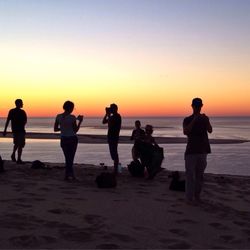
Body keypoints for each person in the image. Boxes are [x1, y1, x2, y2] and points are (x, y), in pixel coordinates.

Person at [183, 97, 212, 204]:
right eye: (196, 106)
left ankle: (197, 196)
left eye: (199, 106)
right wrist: (194, 119)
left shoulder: (205, 119)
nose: (197, 108)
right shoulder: (187, 119)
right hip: (191, 151)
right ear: (192, 106)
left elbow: (210, 130)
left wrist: (207, 120)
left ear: (201, 106)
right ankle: (189, 198)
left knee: (199, 175)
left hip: (203, 150)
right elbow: (186, 132)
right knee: (190, 175)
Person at [54, 101, 83, 181]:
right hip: (72, 139)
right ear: (71, 108)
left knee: (68, 158)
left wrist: (63, 128)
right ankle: (70, 176)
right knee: (70, 158)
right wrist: (80, 122)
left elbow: (55, 129)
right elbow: (75, 130)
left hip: (63, 139)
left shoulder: (58, 116)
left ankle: (68, 176)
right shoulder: (72, 117)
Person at [3, 99, 27, 164]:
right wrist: (5, 130)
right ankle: (18, 158)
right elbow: (8, 120)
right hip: (19, 130)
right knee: (20, 144)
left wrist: (5, 130)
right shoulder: (19, 112)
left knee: (17, 144)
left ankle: (14, 155)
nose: (22, 104)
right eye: (21, 103)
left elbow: (25, 121)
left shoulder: (15, 111)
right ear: (18, 104)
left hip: (16, 130)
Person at [102, 103, 122, 175]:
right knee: (112, 153)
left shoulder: (117, 116)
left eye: (111, 108)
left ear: (115, 109)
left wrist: (108, 114)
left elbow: (110, 124)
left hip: (114, 137)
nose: (110, 109)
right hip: (111, 136)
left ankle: (116, 170)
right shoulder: (112, 116)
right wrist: (107, 114)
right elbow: (103, 122)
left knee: (114, 153)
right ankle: (115, 169)